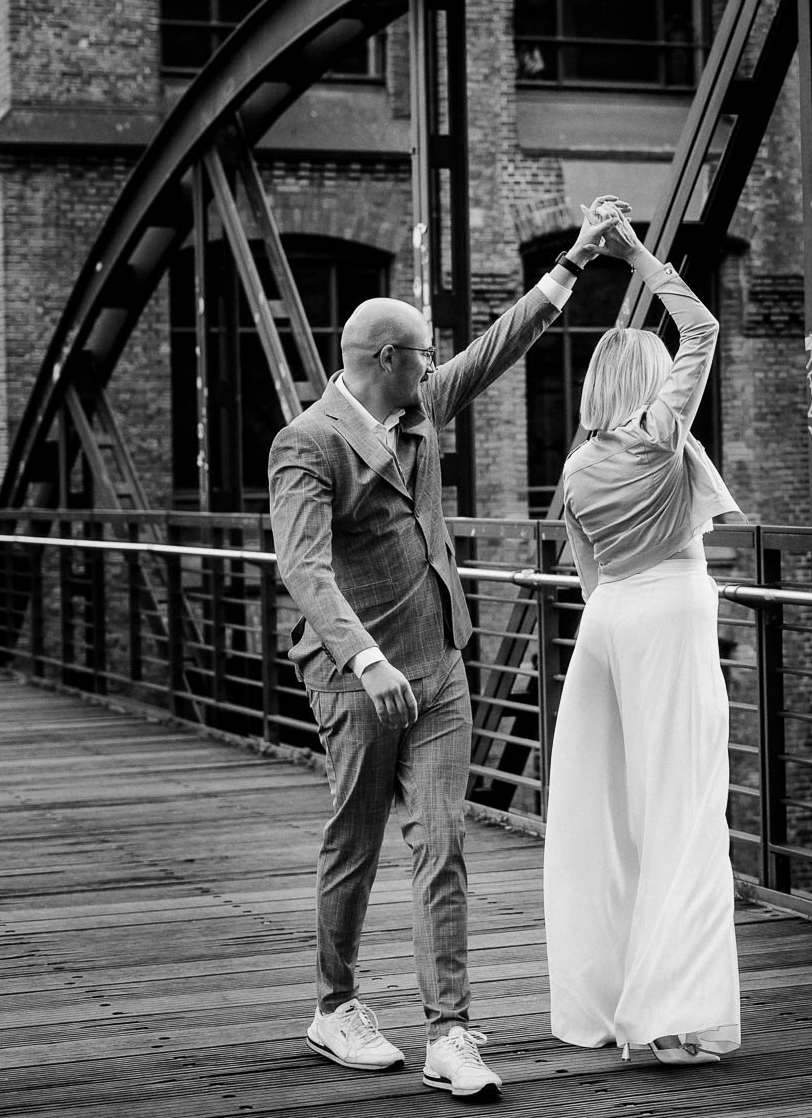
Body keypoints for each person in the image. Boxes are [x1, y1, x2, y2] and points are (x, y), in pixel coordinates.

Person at [269, 200, 620, 1099]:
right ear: (387, 358)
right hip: (357, 680)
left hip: (439, 665)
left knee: (443, 843)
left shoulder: (419, 407)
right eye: (423, 353)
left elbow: (496, 350)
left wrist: (573, 263)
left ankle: (448, 1032)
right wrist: (365, 659)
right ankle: (335, 1006)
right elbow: (304, 568)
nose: (434, 364)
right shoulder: (306, 444)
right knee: (355, 843)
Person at [544, 205, 742, 1065]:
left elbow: (590, 579)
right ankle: (666, 1020)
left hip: (610, 625)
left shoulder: (576, 468)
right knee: (683, 813)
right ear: (650, 386)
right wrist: (636, 256)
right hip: (669, 616)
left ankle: (608, 1003)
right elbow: (702, 326)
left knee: (606, 820)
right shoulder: (659, 439)